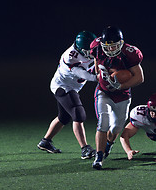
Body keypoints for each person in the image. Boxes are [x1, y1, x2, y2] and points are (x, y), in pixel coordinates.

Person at [90, 25, 144, 169]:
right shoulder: (96, 47)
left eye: (115, 46)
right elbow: (96, 59)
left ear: (121, 43)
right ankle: (99, 157)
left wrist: (120, 86)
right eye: (108, 46)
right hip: (104, 92)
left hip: (122, 95)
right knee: (103, 123)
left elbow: (139, 77)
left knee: (116, 127)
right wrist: (98, 73)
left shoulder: (129, 53)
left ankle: (109, 144)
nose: (112, 49)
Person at [37, 31, 97, 159]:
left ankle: (45, 141)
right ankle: (85, 148)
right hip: (63, 87)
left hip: (72, 86)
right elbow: (85, 75)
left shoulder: (85, 49)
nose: (92, 52)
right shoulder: (71, 57)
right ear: (81, 49)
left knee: (64, 117)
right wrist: (99, 77)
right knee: (78, 113)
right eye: (89, 50)